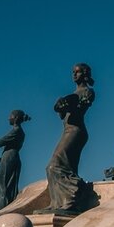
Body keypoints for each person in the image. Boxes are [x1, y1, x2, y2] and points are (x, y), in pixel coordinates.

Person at [44, 63, 96, 214]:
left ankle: (70, 199)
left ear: (85, 74)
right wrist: (60, 105)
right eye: (73, 72)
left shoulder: (87, 91)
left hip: (76, 132)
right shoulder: (72, 94)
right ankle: (57, 202)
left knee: (54, 165)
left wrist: (66, 102)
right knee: (62, 167)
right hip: (67, 132)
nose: (74, 75)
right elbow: (62, 111)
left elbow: (80, 106)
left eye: (78, 72)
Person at [0, 109, 31, 213]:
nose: (8, 118)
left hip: (10, 158)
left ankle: (3, 214)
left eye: (10, 116)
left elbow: (1, 141)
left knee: (3, 188)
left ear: (16, 118)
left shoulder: (17, 131)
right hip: (7, 158)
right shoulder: (17, 131)